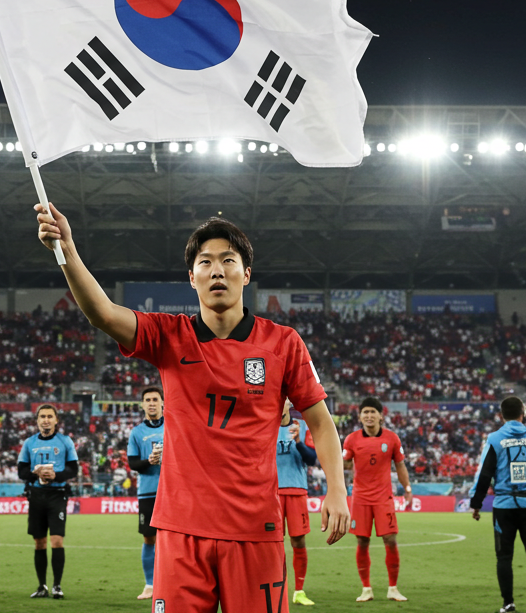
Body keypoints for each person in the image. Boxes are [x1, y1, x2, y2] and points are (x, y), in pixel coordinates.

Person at [35, 206, 350, 613]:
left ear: (246, 274)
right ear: (192, 277)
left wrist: (338, 490)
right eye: (206, 262)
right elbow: (104, 314)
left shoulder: (283, 343)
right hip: (182, 529)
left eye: (228, 261)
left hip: (256, 529)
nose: (217, 271)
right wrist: (68, 251)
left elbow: (321, 424)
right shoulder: (170, 336)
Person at [469, 395, 526, 613]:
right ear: (523, 413)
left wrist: (476, 503)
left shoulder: (494, 439)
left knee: (504, 557)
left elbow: (485, 474)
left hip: (504, 507)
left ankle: (508, 604)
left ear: (501, 416)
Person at [343, 397, 411, 602]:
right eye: (365, 412)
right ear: (360, 416)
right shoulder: (351, 439)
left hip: (383, 498)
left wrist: (407, 488)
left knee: (390, 540)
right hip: (361, 498)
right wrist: (342, 463)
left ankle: (393, 588)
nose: (369, 416)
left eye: (373, 412)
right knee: (362, 541)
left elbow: (400, 466)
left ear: (381, 416)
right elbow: (344, 466)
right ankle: (366, 589)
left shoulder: (392, 439)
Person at [17, 404, 78, 599]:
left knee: (57, 541)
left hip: (57, 495)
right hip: (36, 495)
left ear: (56, 420)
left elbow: (73, 469)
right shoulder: (29, 443)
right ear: (37, 420)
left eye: (49, 416)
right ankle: (42, 586)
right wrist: (35, 474)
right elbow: (21, 471)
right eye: (42, 416)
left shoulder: (65, 441)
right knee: (39, 543)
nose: (46, 420)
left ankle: (57, 585)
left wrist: (55, 475)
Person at [276, 401, 318, 606]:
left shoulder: (302, 426)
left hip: (296, 491)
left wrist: (299, 442)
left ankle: (299, 591)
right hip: (271, 494)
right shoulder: (265, 426)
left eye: (283, 400)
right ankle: (278, 588)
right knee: (273, 544)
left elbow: (312, 459)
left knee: (298, 542)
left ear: (288, 404)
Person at [127, 386, 166, 601]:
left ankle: (171, 582)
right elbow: (133, 463)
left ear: (162, 403)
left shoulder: (173, 426)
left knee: (174, 539)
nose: (151, 403)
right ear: (142, 405)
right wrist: (148, 461)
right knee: (149, 538)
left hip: (172, 491)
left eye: (155, 399)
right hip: (148, 492)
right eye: (147, 400)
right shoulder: (136, 432)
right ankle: (149, 585)